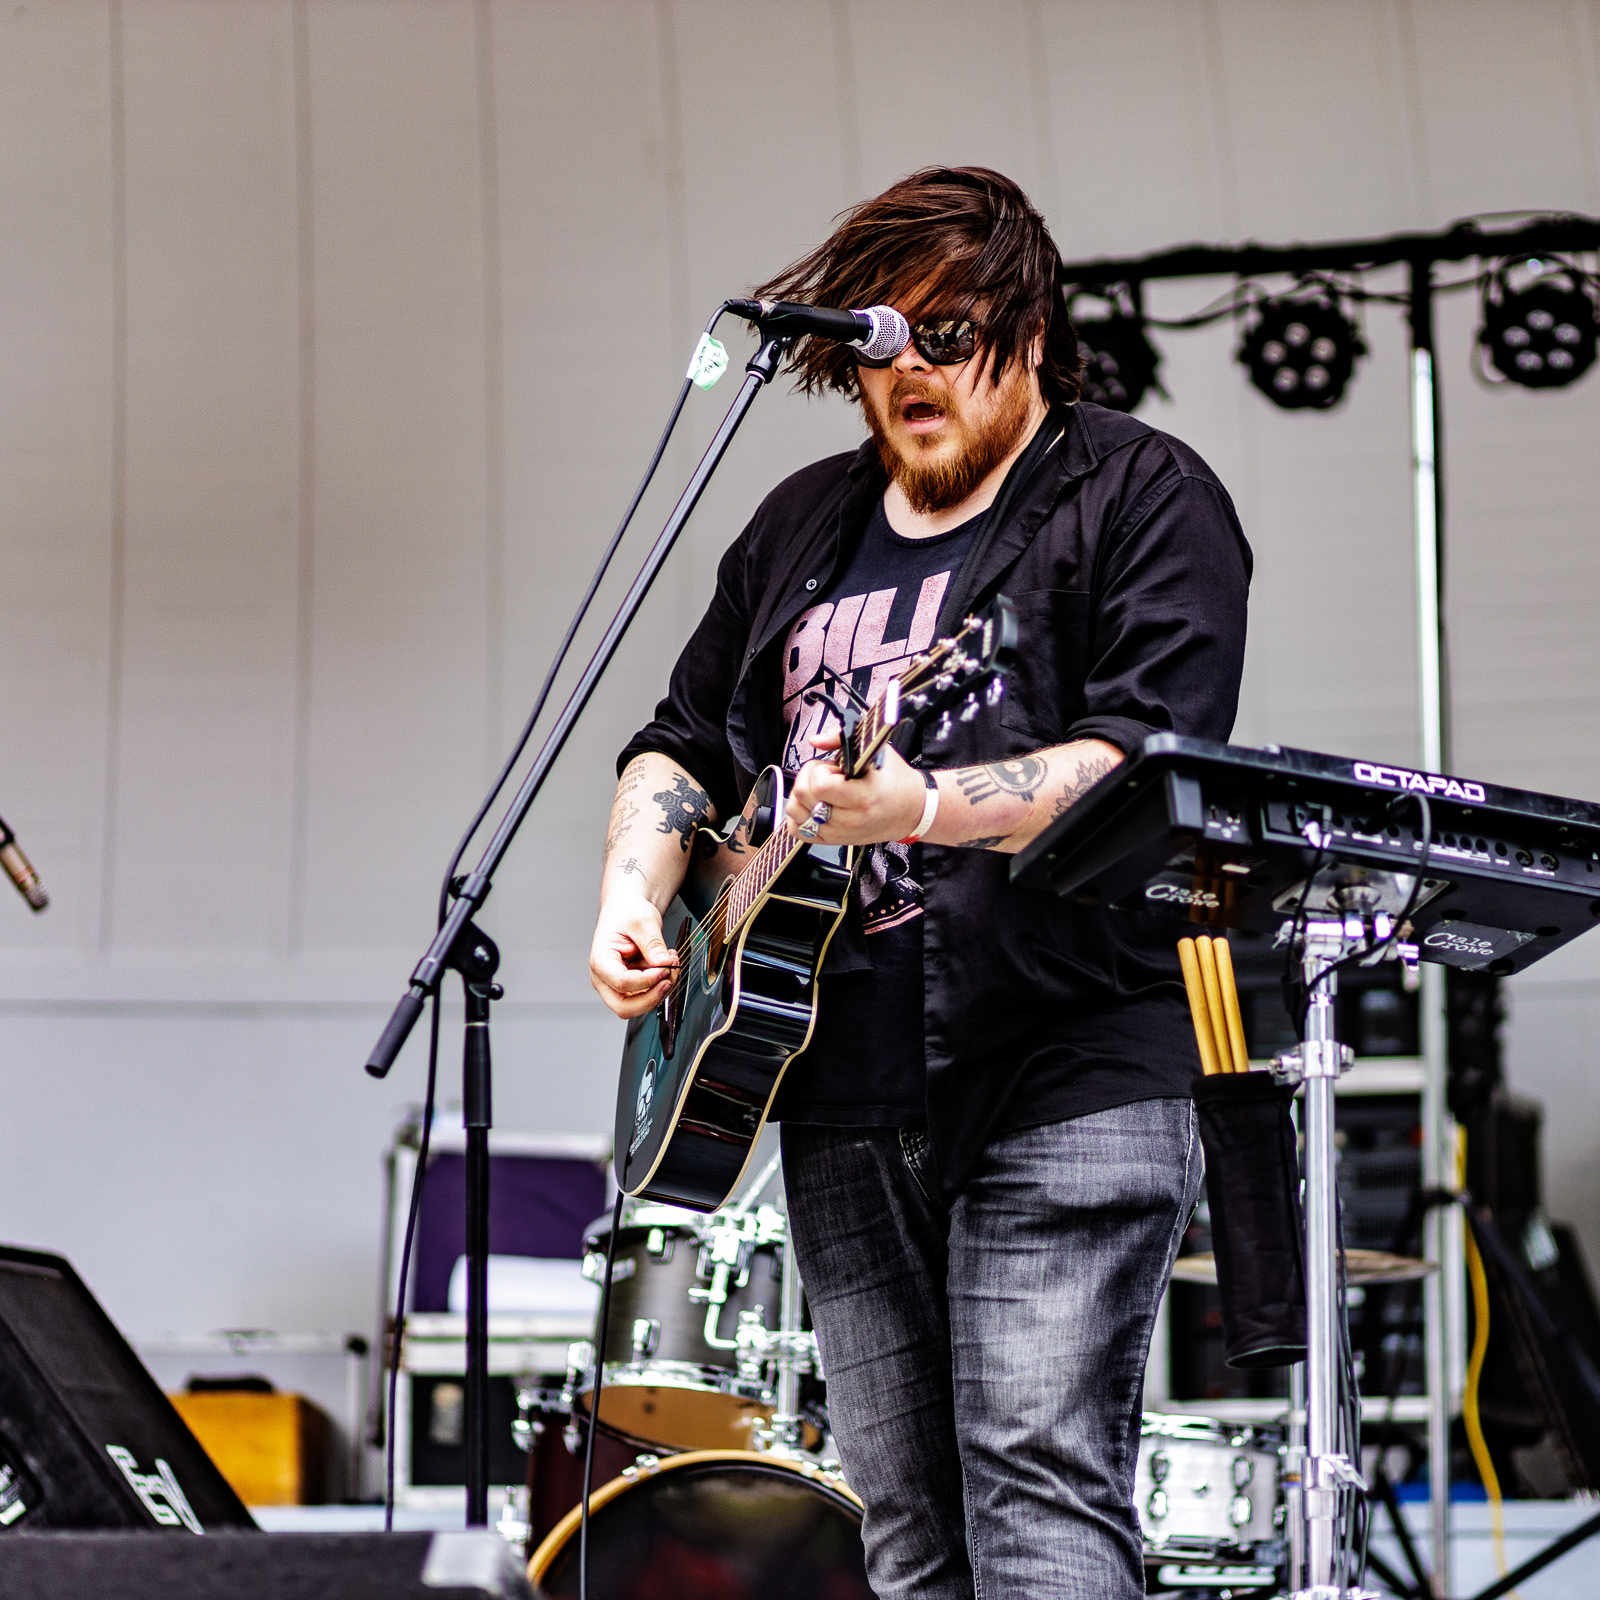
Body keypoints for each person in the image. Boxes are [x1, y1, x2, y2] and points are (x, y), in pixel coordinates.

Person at [588, 166, 1251, 1599]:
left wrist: (931, 802)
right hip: (833, 1081)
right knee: (903, 1525)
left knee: (1035, 1480)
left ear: (1029, 330)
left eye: (952, 336)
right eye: (886, 341)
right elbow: (684, 740)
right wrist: (635, 895)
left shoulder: (1136, 493)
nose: (915, 371)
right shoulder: (799, 522)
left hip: (1069, 1063)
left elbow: (1153, 757)